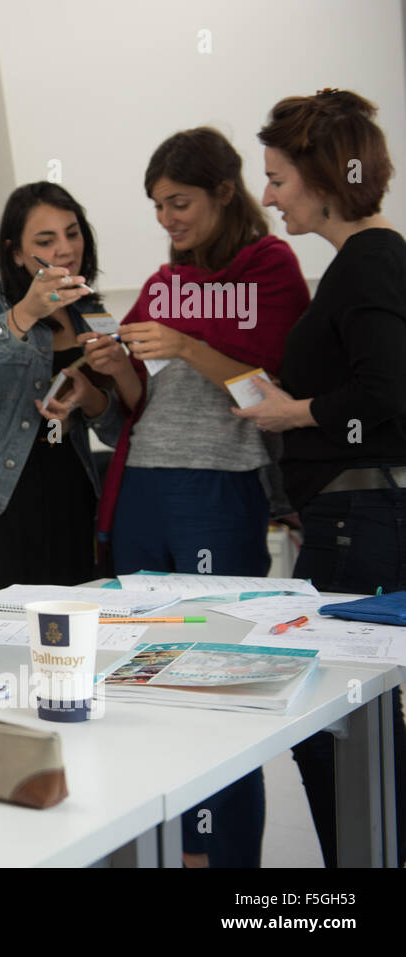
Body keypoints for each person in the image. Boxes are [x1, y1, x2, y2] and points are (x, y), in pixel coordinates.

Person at [87, 127, 311, 867]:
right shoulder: (163, 278)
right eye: (155, 205)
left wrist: (185, 344)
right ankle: (169, 850)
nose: (166, 219)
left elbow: (268, 390)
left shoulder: (271, 265)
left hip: (218, 489)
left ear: (224, 191)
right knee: (141, 680)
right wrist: (112, 363)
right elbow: (136, 399)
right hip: (142, 488)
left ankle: (227, 864)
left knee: (217, 687)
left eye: (178, 202)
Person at [236, 88, 406, 868]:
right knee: (350, 737)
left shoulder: (369, 261)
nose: (267, 195)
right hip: (353, 520)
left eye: (276, 177)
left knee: (333, 740)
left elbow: (387, 396)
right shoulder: (366, 262)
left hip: (355, 527)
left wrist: (291, 411)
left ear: (321, 175)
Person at [0, 182, 123, 611]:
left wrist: (89, 399)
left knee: (63, 635)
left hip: (69, 498)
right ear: (16, 252)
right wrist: (24, 314)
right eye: (45, 240)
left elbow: (118, 430)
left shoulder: (95, 313)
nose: (65, 248)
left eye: (73, 233)